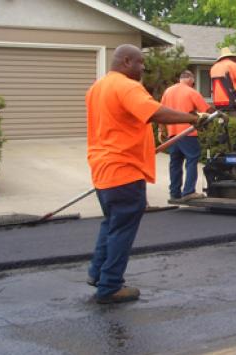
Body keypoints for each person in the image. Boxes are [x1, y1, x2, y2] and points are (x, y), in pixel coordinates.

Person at [86, 44, 206, 304]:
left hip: (102, 168)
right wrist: (193, 119)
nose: (143, 68)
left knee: (112, 223)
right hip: (124, 169)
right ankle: (110, 286)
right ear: (127, 61)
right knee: (122, 228)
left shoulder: (98, 87)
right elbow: (154, 112)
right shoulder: (127, 87)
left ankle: (97, 272)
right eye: (140, 63)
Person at [159, 70, 215, 204]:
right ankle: (189, 192)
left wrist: (160, 130)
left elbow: (159, 110)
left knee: (175, 163)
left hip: (173, 134)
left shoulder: (168, 91)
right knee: (191, 159)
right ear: (191, 79)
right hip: (187, 132)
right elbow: (206, 111)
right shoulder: (191, 92)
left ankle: (174, 193)